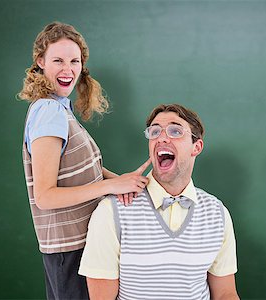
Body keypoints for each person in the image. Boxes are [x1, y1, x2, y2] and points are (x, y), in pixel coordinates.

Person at [19, 21, 150, 299]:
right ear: (40, 62)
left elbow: (85, 170)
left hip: (80, 246)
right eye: (58, 60)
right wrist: (110, 187)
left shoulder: (58, 109)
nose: (68, 70)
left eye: (74, 61)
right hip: (70, 253)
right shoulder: (49, 112)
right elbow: (45, 196)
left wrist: (126, 182)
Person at [79, 103, 240, 299]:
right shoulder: (112, 211)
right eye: (155, 132)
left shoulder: (217, 213)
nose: (162, 138)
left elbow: (225, 293)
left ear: (196, 147)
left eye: (175, 130)